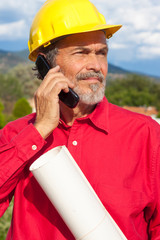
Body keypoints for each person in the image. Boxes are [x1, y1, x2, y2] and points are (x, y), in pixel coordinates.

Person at [0, 0, 160, 239]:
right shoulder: (16, 135)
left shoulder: (145, 133)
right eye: (81, 52)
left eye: (101, 53)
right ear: (46, 64)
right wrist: (38, 131)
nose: (96, 65)